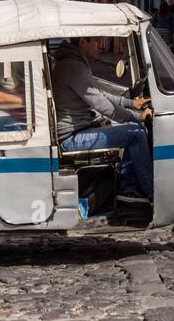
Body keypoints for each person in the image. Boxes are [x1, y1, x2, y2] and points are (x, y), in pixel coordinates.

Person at [52, 37, 153, 203]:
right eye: (96, 42)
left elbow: (99, 94)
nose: (99, 46)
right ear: (83, 42)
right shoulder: (73, 66)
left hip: (80, 128)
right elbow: (101, 104)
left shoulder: (73, 63)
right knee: (136, 133)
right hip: (71, 137)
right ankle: (149, 192)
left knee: (131, 128)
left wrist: (131, 104)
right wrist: (137, 116)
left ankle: (127, 186)